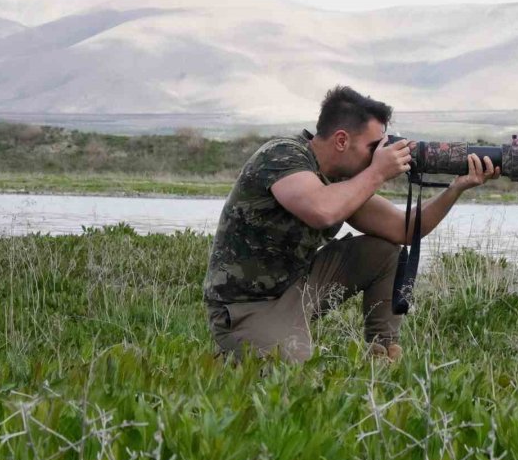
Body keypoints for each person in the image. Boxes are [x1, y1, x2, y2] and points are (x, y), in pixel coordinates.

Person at [203, 86, 500, 363]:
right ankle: (241, 344)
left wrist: (456, 188)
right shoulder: (282, 155)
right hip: (249, 305)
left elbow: (405, 229)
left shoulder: (345, 179)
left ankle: (384, 353)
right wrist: (377, 173)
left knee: (385, 252)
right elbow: (321, 210)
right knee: (293, 379)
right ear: (342, 140)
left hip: (298, 286)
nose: (379, 156)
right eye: (373, 147)